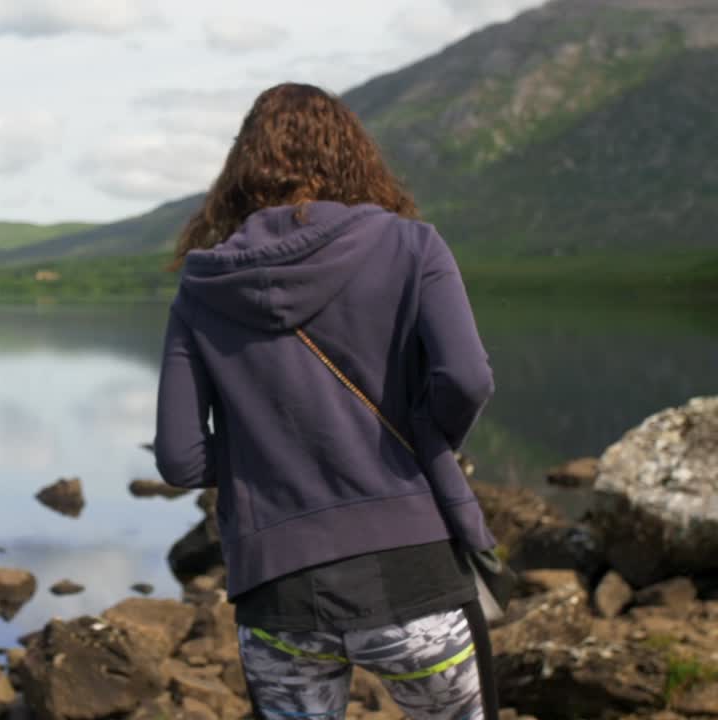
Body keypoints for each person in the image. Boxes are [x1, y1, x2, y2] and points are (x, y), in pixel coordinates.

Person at [153, 82, 500, 720]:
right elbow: (468, 379)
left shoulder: (201, 286)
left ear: (243, 172)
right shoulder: (412, 246)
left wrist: (254, 461)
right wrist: (426, 437)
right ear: (350, 156)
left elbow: (178, 458)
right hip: (415, 573)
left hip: (278, 593)